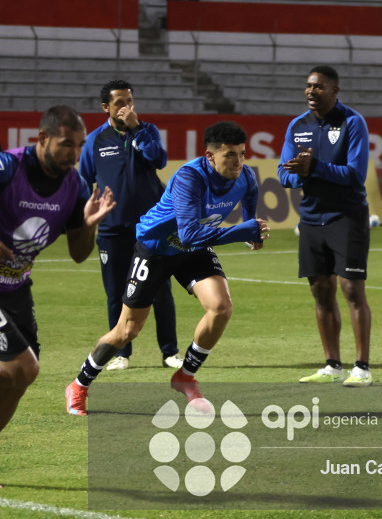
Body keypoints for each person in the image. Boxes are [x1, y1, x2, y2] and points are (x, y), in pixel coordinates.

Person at [0, 105, 116, 489]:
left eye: (80, 146)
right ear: (42, 139)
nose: (74, 155)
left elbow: (79, 253)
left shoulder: (75, 185)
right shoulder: (6, 167)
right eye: (66, 144)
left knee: (17, 379)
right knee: (24, 370)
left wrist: (90, 224)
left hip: (15, 288)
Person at [66, 121, 269, 415]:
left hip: (194, 248)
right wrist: (241, 231)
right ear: (210, 156)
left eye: (241, 153)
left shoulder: (246, 176)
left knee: (221, 307)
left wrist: (253, 230)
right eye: (229, 156)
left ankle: (185, 377)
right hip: (156, 249)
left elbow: (249, 204)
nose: (238, 162)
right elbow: (188, 235)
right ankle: (79, 385)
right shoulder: (190, 177)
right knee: (127, 330)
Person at [278, 65, 373, 387]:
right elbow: (283, 174)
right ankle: (332, 365)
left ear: (334, 91)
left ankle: (362, 367)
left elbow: (355, 174)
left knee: (351, 289)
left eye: (318, 87)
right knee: (320, 291)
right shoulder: (297, 126)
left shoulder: (352, 122)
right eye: (308, 86)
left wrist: (314, 167)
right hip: (311, 218)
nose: (310, 91)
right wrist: (300, 173)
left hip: (346, 216)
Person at [80, 79, 182, 372]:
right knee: (116, 292)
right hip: (112, 230)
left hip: (151, 228)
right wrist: (89, 213)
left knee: (161, 290)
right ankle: (121, 353)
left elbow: (159, 160)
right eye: (119, 103)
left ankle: (170, 352)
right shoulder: (94, 141)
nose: (126, 108)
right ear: (105, 107)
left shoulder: (147, 131)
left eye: (130, 102)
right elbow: (84, 181)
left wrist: (137, 127)